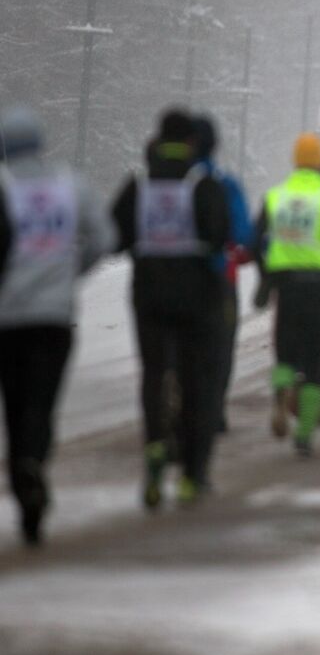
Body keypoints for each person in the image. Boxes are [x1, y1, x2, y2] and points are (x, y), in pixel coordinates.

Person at [0, 108, 114, 544]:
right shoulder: (69, 185)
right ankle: (35, 463)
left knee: (13, 404)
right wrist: (71, 271)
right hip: (54, 316)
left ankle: (22, 479)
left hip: (7, 318)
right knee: (42, 402)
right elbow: (105, 237)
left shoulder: (3, 186)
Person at [112, 109, 230, 505]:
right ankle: (193, 475)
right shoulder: (202, 183)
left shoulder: (139, 184)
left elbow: (117, 235)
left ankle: (155, 448)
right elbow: (220, 236)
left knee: (153, 373)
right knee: (195, 380)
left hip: (148, 294)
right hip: (196, 296)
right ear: (192, 143)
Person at [254, 133, 320, 458]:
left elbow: (257, 240)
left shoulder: (276, 195)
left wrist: (266, 276)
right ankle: (305, 433)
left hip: (286, 285)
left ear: (295, 160)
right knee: (316, 359)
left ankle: (281, 392)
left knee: (284, 349)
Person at [191, 116, 253, 434]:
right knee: (220, 347)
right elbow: (243, 234)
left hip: (171, 283)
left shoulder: (162, 183)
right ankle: (213, 408)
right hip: (219, 280)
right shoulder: (224, 184)